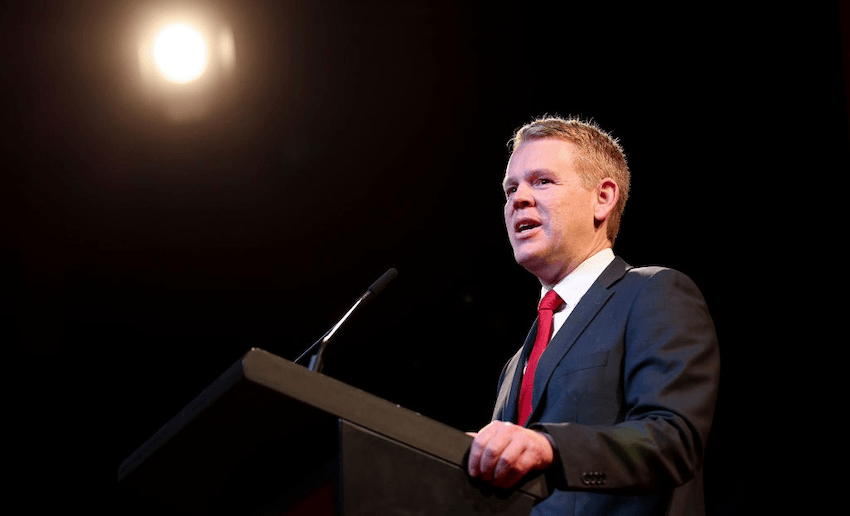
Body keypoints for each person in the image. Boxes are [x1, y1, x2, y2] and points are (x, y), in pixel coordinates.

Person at [467, 116, 720, 515]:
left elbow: (674, 440)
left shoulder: (652, 293)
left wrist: (550, 446)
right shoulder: (514, 366)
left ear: (602, 197)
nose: (518, 199)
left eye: (542, 181)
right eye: (510, 188)